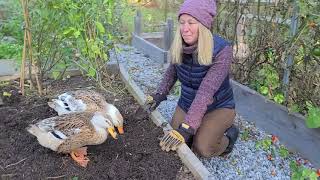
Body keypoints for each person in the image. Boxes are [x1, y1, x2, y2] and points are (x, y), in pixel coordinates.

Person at [144, 0, 239, 157]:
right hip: (187, 103)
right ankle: (198, 127)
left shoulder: (222, 50)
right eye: (182, 23)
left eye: (191, 22)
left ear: (203, 25)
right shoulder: (180, 45)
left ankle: (229, 138)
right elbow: (172, 72)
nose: (185, 29)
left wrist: (187, 127)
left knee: (202, 148)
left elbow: (206, 91)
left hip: (217, 107)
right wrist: (159, 95)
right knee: (177, 138)